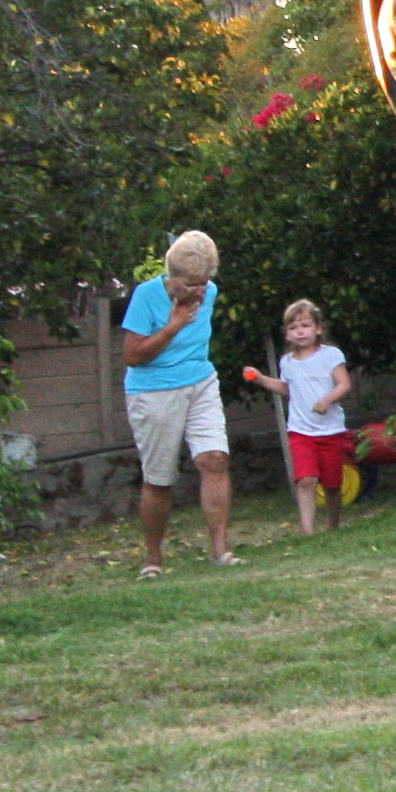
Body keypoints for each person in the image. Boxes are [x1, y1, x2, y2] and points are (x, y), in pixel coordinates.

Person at [119, 229, 235, 574]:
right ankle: (153, 560)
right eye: (193, 284)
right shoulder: (146, 296)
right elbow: (132, 357)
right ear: (174, 277)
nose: (201, 291)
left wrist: (198, 293)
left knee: (215, 459)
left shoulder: (209, 291)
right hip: (153, 391)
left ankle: (221, 552)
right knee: (159, 479)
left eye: (205, 283)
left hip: (200, 381)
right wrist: (173, 326)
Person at [252, 299, 356, 535]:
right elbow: (288, 389)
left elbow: (344, 384)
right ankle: (308, 531)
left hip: (331, 430)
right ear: (287, 334)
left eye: (305, 326)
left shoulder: (331, 355)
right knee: (306, 480)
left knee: (332, 485)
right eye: (293, 328)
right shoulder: (287, 362)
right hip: (301, 431)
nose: (300, 332)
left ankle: (333, 523)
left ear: (318, 328)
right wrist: (261, 379)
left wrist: (327, 400)